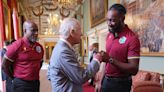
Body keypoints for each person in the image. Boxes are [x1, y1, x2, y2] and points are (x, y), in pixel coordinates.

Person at [47, 18, 105, 92]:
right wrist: (96, 60)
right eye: (80, 30)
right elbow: (81, 77)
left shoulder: (60, 47)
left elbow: (49, 74)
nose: (81, 34)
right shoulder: (63, 51)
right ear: (72, 32)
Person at [95, 4, 140, 92]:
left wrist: (110, 59)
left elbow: (134, 69)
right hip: (106, 81)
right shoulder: (109, 35)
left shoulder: (132, 38)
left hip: (121, 84)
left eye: (112, 20)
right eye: (107, 20)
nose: (109, 24)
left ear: (122, 19)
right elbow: (106, 62)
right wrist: (100, 81)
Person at [2, 20, 44, 92]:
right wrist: (14, 78)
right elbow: (4, 66)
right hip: (21, 84)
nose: (36, 33)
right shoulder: (17, 45)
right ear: (25, 31)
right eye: (33, 31)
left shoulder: (39, 47)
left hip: (35, 83)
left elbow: (40, 63)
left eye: (37, 31)